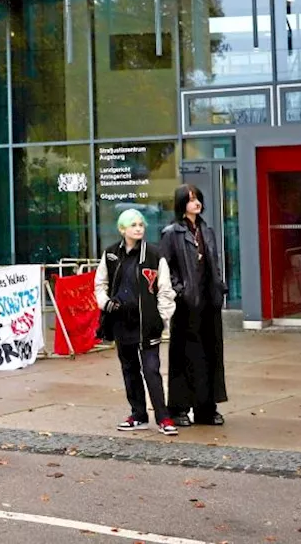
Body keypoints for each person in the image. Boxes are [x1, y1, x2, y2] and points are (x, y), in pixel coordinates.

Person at [94, 209, 177, 435]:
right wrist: (106, 303)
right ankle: (138, 415)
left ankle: (164, 418)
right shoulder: (110, 254)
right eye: (133, 225)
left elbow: (165, 290)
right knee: (129, 369)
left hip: (147, 323)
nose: (139, 228)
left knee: (152, 370)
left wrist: (162, 317)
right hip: (121, 322)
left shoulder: (154, 254)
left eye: (141, 224)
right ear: (122, 229)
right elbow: (100, 284)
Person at [158, 184, 229, 427]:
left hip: (208, 302)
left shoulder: (206, 230)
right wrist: (179, 291)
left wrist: (219, 286)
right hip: (186, 304)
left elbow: (215, 262)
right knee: (184, 356)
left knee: (210, 354)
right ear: (181, 204)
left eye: (197, 198)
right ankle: (178, 409)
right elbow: (164, 268)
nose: (195, 203)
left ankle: (206, 408)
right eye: (190, 200)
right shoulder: (172, 233)